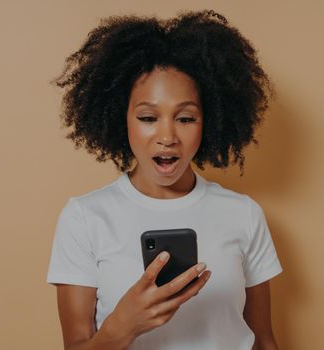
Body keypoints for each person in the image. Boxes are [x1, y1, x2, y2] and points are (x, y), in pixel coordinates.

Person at [46, 9, 283, 350]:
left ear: (210, 121)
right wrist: (120, 328)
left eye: (185, 118)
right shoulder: (84, 218)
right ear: (120, 118)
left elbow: (263, 341)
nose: (167, 136)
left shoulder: (243, 213)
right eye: (147, 117)